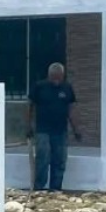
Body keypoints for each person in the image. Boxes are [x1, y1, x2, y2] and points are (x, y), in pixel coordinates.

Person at [26, 62, 82, 192]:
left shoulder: (67, 88)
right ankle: (39, 188)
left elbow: (71, 110)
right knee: (43, 159)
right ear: (49, 75)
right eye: (54, 77)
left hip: (60, 131)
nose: (56, 80)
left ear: (63, 76)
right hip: (43, 130)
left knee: (60, 160)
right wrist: (28, 126)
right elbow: (29, 107)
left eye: (59, 77)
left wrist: (76, 129)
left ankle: (55, 189)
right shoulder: (40, 87)